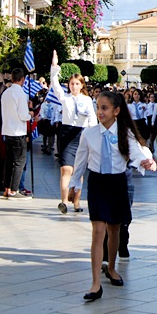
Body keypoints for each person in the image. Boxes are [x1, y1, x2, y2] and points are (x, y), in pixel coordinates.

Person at [70, 91, 156, 300]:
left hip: (117, 183)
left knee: (114, 230)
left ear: (116, 111)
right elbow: (80, 161)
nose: (100, 112)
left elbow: (137, 154)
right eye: (98, 107)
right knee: (98, 231)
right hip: (98, 183)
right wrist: (74, 184)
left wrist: (147, 162)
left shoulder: (125, 134)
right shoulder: (89, 134)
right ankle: (95, 284)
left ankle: (112, 267)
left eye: (105, 108)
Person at [50, 51, 97, 213]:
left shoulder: (87, 100)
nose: (74, 86)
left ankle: (76, 202)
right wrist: (54, 68)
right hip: (66, 133)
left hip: (82, 135)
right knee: (66, 169)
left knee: (78, 171)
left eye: (77, 84)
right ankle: (64, 201)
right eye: (72, 84)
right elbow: (55, 86)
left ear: (82, 85)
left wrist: (94, 137)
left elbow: (92, 119)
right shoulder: (65, 98)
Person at [0, 68, 32, 200]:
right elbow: (23, 115)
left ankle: (7, 187)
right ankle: (14, 189)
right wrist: (30, 114)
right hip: (18, 131)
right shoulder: (21, 94)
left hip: (7, 131)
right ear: (22, 79)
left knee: (9, 161)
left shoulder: (6, 93)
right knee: (19, 162)